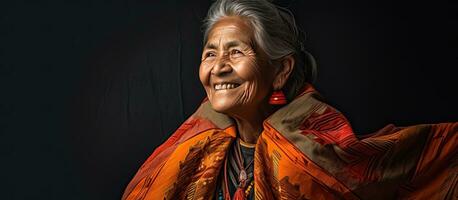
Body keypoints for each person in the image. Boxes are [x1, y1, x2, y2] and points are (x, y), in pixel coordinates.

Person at [122, 0, 457, 199]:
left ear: (281, 71)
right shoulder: (191, 147)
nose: (218, 67)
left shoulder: (313, 148)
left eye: (236, 51)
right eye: (210, 54)